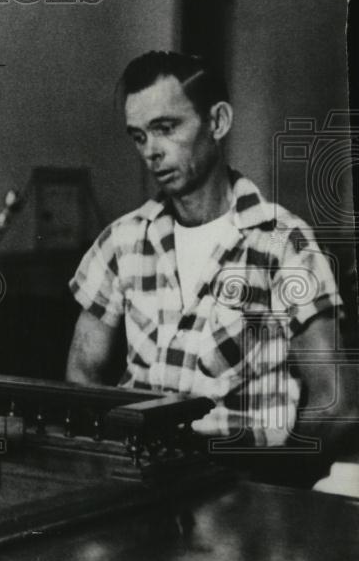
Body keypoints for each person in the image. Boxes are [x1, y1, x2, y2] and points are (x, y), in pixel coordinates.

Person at [66, 52, 350, 465]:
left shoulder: (283, 243)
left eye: (166, 128)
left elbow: (335, 402)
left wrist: (276, 489)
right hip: (139, 486)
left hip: (242, 493)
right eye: (139, 136)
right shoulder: (121, 242)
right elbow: (80, 376)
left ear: (217, 122)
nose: (152, 151)